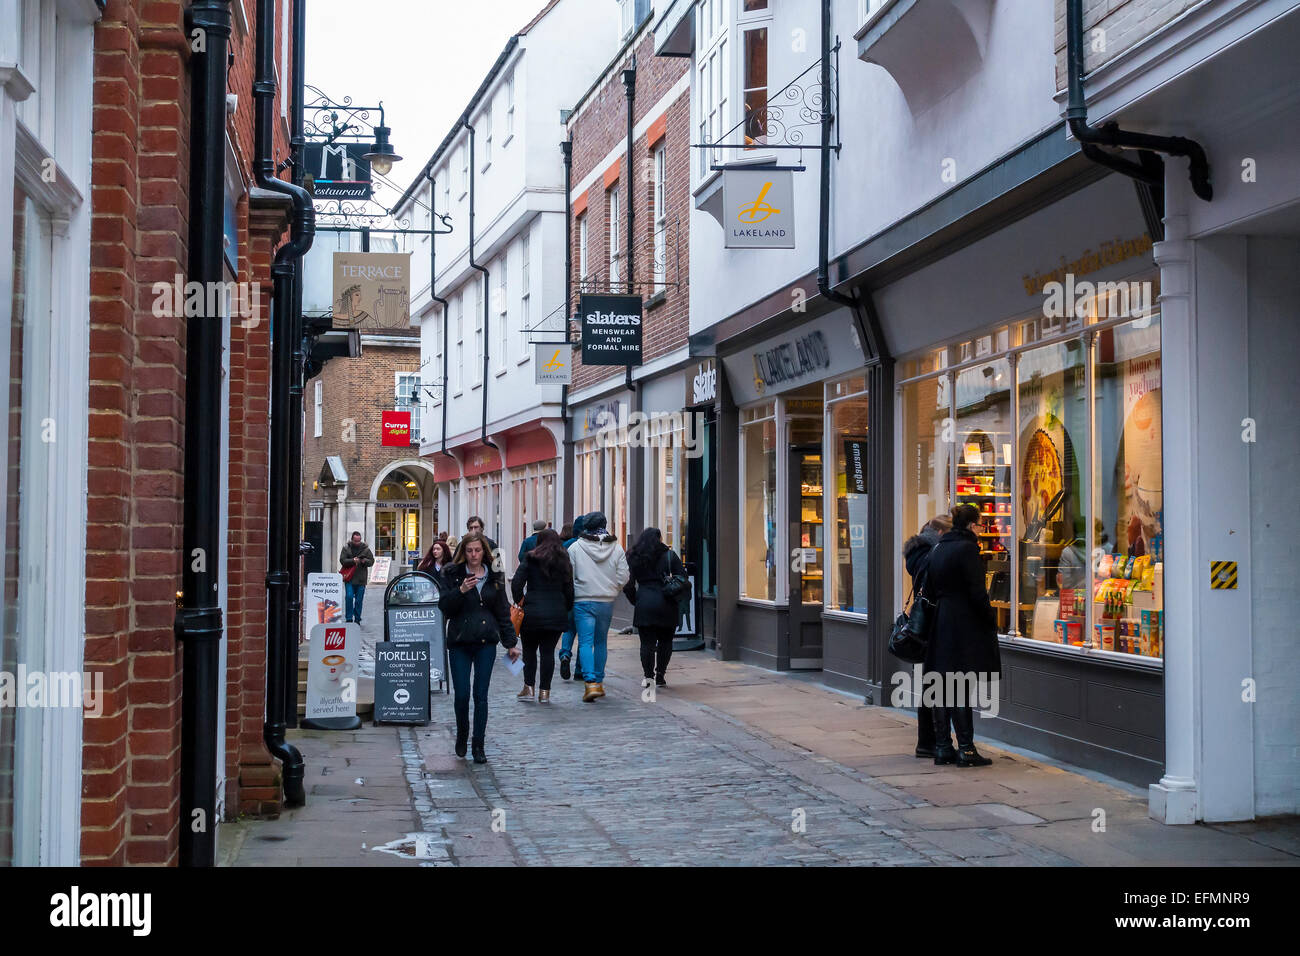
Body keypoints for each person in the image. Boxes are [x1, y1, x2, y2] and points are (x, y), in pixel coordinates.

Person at [924, 503, 1000, 768]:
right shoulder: (968, 550)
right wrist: (991, 619)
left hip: (941, 622)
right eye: (980, 524)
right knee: (960, 687)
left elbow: (929, 589)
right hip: (963, 623)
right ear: (971, 525)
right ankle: (966, 749)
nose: (981, 529)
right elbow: (978, 593)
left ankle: (944, 747)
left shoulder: (939, 547)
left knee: (942, 686)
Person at [439, 532, 520, 764]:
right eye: (469, 551)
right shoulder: (452, 574)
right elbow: (444, 606)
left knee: (481, 696)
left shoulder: (494, 576)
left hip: (486, 642)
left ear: (484, 551)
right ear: (463, 552)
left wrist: (511, 643)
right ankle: (462, 734)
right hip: (460, 641)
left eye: (477, 550)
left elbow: (503, 611)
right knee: (462, 695)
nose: (474, 555)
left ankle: (478, 744)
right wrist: (461, 591)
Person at [902, 514, 953, 759]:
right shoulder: (931, 554)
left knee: (932, 681)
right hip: (935, 623)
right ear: (942, 534)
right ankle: (931, 740)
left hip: (927, 623)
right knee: (935, 682)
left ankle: (928, 741)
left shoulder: (919, 552)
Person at [567, 511, 629, 702]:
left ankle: (590, 683)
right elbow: (624, 576)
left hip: (583, 600)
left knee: (585, 642)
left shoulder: (576, 548)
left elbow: (569, 576)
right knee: (601, 642)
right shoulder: (616, 548)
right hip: (606, 601)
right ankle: (599, 682)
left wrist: (577, 589)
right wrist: (613, 588)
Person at [509, 529, 574, 703]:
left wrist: (520, 601)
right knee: (547, 652)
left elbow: (516, 582)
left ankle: (528, 687)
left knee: (529, 651)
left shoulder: (531, 558)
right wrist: (566, 607)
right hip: (556, 611)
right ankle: (545, 691)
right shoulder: (564, 560)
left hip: (532, 612)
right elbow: (569, 588)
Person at [623, 527, 686, 688]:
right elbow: (682, 578)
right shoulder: (669, 555)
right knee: (666, 641)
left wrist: (635, 600)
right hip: (667, 602)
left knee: (646, 644)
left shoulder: (634, 557)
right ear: (659, 538)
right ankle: (660, 674)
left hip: (644, 601)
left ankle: (648, 676)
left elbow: (628, 585)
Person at [557, 513, 588, 680]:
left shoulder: (567, 546)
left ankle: (565, 654)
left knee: (569, 629)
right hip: (586, 594)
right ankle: (579, 670)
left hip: (569, 594)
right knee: (584, 634)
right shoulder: (589, 546)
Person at [339, 531, 374, 625]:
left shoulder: (365, 549)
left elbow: (371, 561)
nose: (357, 543)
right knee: (349, 597)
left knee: (359, 600)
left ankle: (357, 618)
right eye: (355, 541)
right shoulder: (346, 548)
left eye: (359, 541)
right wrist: (352, 561)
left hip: (361, 579)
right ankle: (349, 618)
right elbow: (342, 560)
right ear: (352, 539)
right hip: (349, 578)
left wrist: (364, 561)